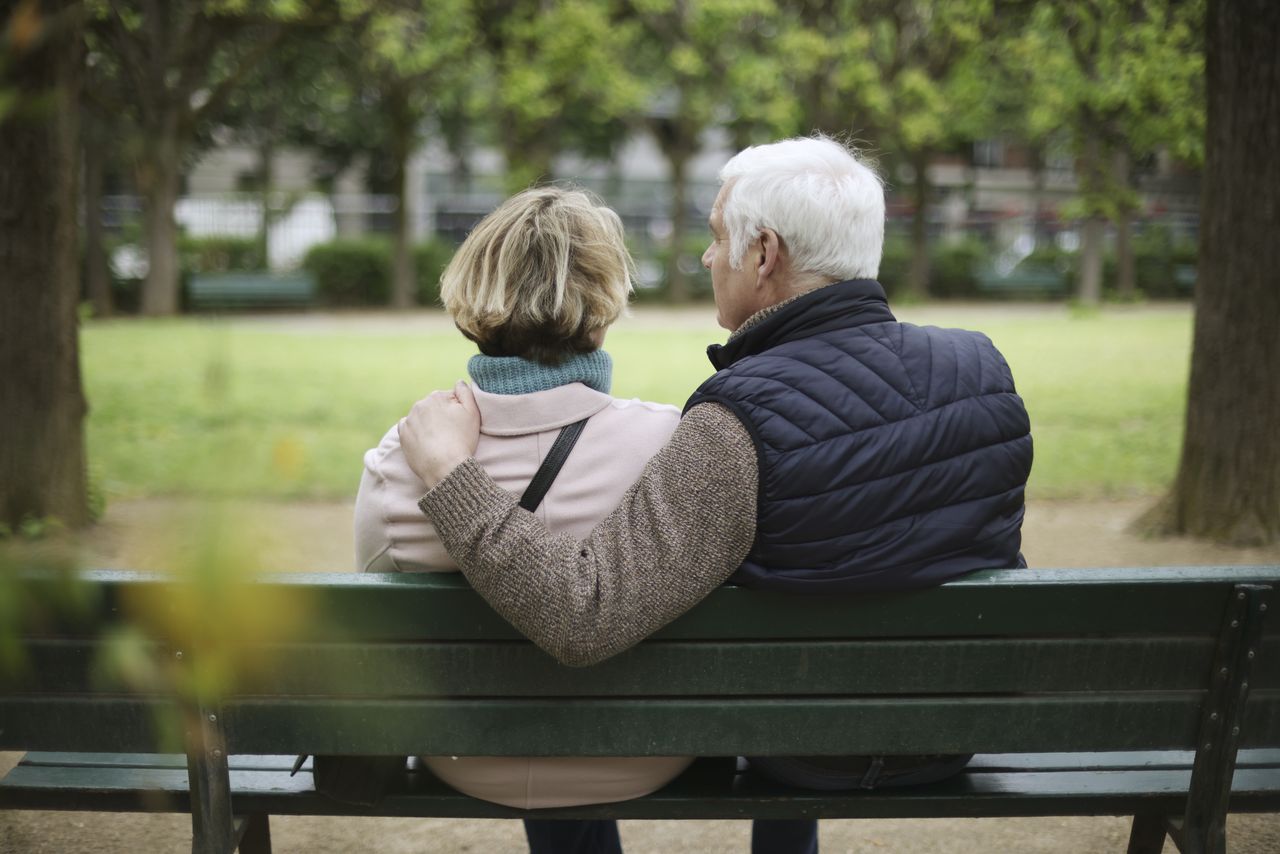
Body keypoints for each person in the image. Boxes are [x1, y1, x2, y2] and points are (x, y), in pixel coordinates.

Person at [401, 136, 1033, 853]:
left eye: (714, 238)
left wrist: (453, 477)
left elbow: (584, 615)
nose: (706, 259)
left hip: (803, 750)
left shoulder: (735, 421)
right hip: (952, 732)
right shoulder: (983, 369)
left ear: (763, 254)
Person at [345, 186, 696, 847]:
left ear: (475, 302)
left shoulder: (402, 459)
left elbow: (375, 611)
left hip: (467, 753)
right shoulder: (669, 444)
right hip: (641, 747)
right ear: (602, 307)